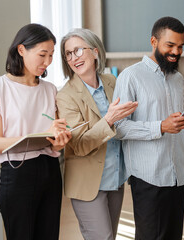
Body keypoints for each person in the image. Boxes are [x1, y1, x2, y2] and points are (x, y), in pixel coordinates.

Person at [112, 16, 184, 240]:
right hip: (149, 178)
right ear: (154, 42)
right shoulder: (131, 77)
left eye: (180, 46)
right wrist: (161, 126)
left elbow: (178, 127)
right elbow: (118, 128)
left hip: (177, 176)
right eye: (170, 45)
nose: (176, 51)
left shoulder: (177, 78)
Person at [0, 23, 72, 240]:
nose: (48, 62)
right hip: (17, 173)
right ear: (21, 49)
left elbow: (56, 145)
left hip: (50, 172)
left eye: (51, 55)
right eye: (42, 54)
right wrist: (36, 138)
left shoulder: (50, 89)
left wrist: (59, 140)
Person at [56, 28, 137, 240]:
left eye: (78, 50)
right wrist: (108, 119)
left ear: (95, 51)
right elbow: (80, 144)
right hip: (87, 184)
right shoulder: (66, 96)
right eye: (69, 54)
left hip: (115, 178)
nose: (74, 58)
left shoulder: (112, 82)